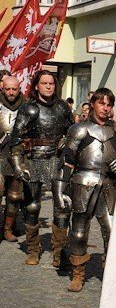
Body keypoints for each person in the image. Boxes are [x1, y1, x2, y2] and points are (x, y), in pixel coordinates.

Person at [53, 88, 116, 292]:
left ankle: (111, 273)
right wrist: (60, 192)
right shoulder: (79, 129)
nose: (105, 107)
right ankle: (78, 274)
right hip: (82, 183)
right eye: (102, 103)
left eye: (109, 104)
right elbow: (66, 161)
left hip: (109, 185)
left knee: (112, 232)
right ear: (93, 103)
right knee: (78, 232)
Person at [9, 70, 74, 266]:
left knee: (62, 206)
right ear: (36, 85)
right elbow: (16, 139)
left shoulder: (63, 107)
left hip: (57, 159)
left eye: (51, 83)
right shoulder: (28, 108)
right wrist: (19, 165)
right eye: (44, 83)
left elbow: (73, 132)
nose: (48, 86)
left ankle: (59, 251)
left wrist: (67, 141)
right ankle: (32, 248)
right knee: (32, 206)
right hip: (34, 159)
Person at [0, 76, 25, 242]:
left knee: (15, 195)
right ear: (2, 88)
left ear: (19, 89)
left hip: (18, 155)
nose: (10, 92)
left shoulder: (28, 107)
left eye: (14, 89)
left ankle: (8, 228)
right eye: (7, 89)